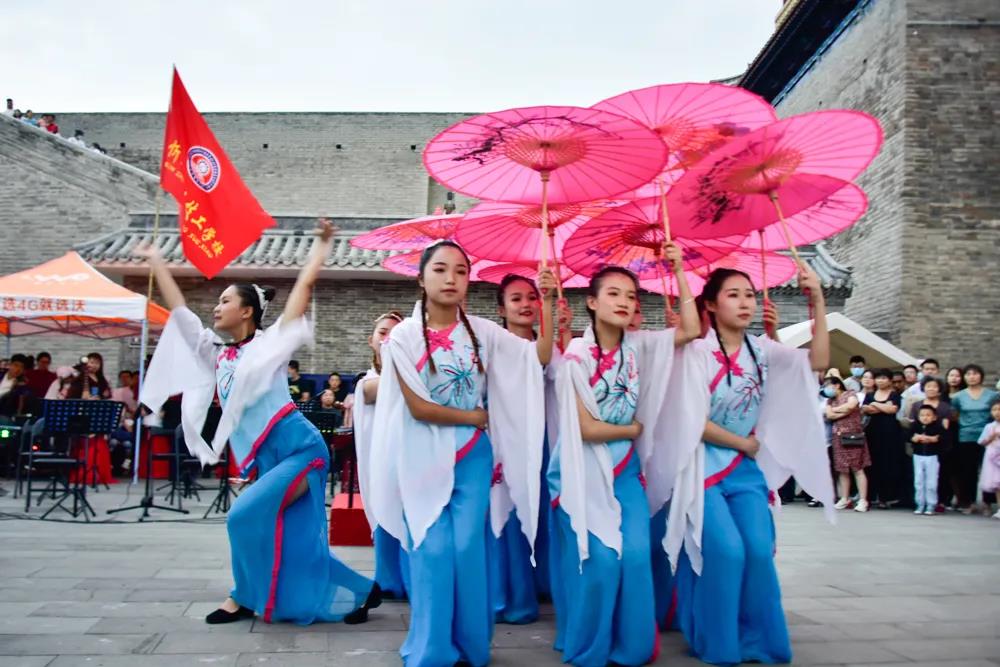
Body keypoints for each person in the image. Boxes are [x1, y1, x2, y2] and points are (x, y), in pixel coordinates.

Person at [137, 220, 380, 626]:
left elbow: (301, 294)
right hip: (269, 459)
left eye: (225, 301)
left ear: (247, 311)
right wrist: (157, 262)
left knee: (243, 517)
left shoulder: (269, 346)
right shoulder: (216, 353)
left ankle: (242, 597)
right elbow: (181, 315)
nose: (216, 307)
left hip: (301, 451)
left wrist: (321, 247)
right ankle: (362, 589)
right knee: (287, 536)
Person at [368, 240, 556, 667]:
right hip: (421, 455)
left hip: (472, 457)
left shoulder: (483, 332)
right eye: (440, 269)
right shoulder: (402, 337)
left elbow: (538, 357)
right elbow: (418, 407)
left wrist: (546, 299)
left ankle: (471, 646)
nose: (451, 278)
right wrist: (473, 417)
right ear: (421, 278)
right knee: (433, 551)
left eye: (460, 271)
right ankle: (432, 648)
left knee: (468, 551)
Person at [665, 264, 832, 667]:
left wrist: (817, 299)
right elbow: (691, 420)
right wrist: (744, 442)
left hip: (743, 469)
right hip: (701, 468)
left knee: (758, 551)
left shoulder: (763, 350)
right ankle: (716, 640)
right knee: (726, 550)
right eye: (733, 295)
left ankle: (757, 640)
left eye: (750, 295)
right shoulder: (695, 353)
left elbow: (819, 360)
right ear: (710, 305)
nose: (745, 303)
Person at [550, 247, 699, 667]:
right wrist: (632, 430)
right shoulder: (575, 357)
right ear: (592, 302)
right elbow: (586, 429)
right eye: (613, 294)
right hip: (581, 470)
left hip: (625, 472)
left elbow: (691, 329)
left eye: (631, 296)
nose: (624, 302)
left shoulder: (640, 345)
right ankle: (589, 647)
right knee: (600, 561)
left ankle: (632, 648)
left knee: (634, 557)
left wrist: (679, 271)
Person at [353, 311, 408, 601]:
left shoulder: (414, 376)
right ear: (371, 340)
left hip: (409, 461)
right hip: (381, 465)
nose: (388, 339)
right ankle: (388, 581)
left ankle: (412, 579)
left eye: (396, 335)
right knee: (386, 516)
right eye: (383, 333)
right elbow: (376, 390)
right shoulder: (368, 381)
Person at [951, 365, 1000, 514]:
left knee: (989, 470)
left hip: (988, 437)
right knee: (968, 471)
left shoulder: (992, 395)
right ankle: (969, 502)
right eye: (968, 374)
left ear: (981, 376)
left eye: (975, 374)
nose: (972, 377)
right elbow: (955, 415)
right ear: (964, 377)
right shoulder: (958, 396)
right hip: (966, 436)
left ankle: (988, 503)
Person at [825, 375, 871, 512]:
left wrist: (837, 410)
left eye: (827, 386)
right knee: (842, 469)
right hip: (838, 437)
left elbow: (851, 405)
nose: (826, 389)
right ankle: (844, 498)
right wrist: (843, 411)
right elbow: (830, 415)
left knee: (858, 468)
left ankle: (863, 500)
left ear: (837, 385)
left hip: (853, 435)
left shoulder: (850, 394)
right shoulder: (830, 400)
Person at [862, 369, 904, 508]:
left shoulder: (895, 395)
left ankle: (885, 498)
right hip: (872, 433)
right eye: (878, 378)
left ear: (890, 380)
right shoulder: (870, 394)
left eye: (884, 378)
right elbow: (865, 409)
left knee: (887, 465)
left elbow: (892, 410)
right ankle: (869, 497)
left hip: (890, 434)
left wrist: (875, 404)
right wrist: (883, 406)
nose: (880, 381)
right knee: (871, 464)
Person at [910, 405, 944, 515]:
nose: (925, 417)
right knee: (918, 480)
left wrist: (933, 439)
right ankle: (920, 504)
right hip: (918, 455)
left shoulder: (938, 427)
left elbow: (943, 438)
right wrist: (914, 438)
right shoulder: (915, 426)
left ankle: (931, 504)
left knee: (931, 482)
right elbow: (908, 436)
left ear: (934, 417)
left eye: (928, 415)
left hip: (932, 456)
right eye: (922, 415)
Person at [976, 400, 1000, 519]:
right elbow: (981, 441)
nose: (997, 412)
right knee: (997, 484)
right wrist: (991, 437)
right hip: (992, 456)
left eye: (999, 409)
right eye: (994, 410)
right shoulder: (989, 426)